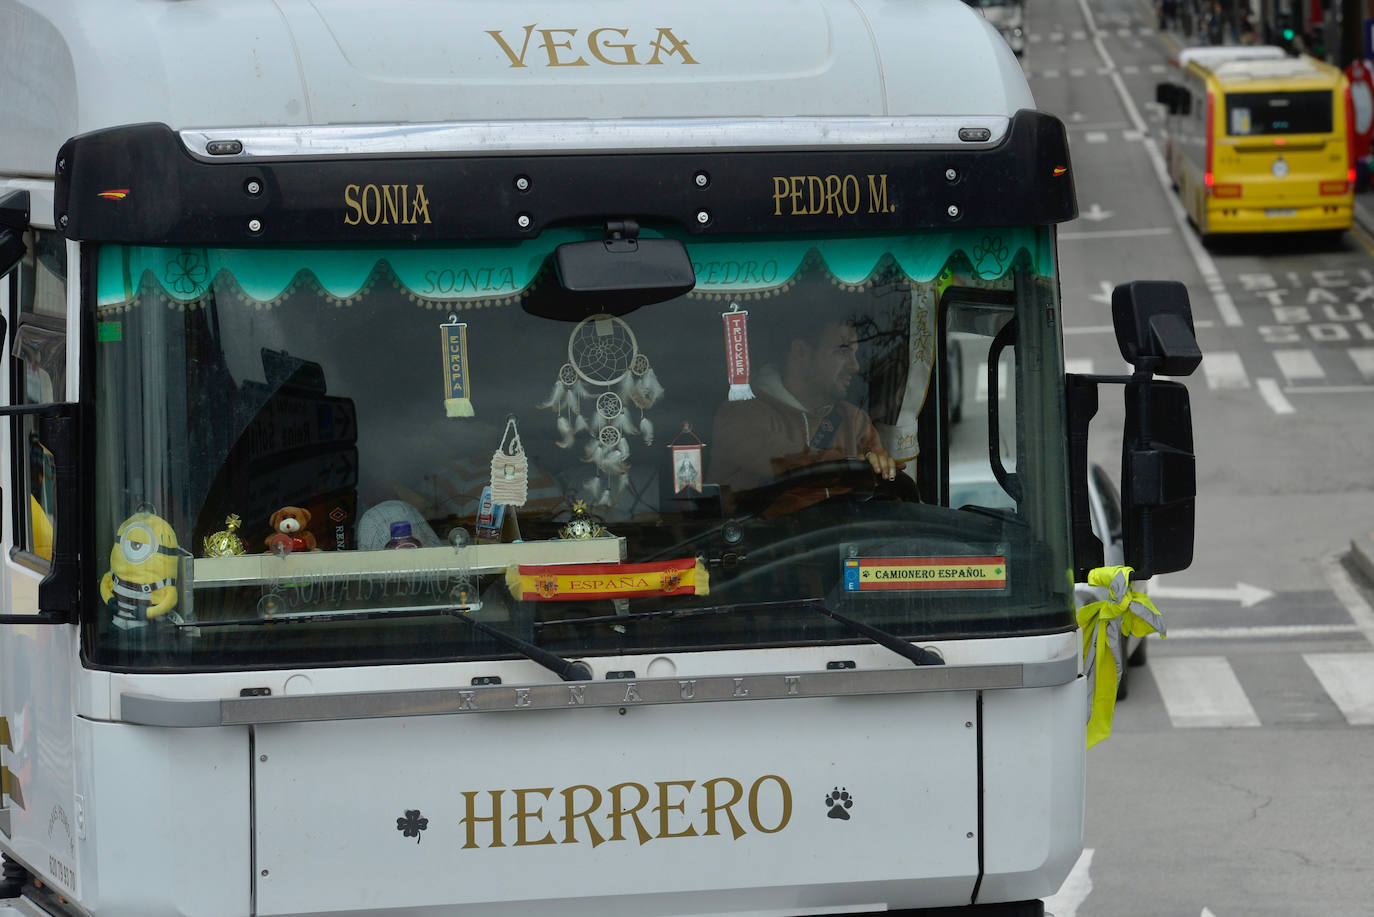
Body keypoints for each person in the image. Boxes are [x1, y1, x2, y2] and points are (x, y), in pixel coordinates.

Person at [708, 315, 903, 501]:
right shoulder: (741, 414)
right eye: (843, 351)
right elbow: (780, 460)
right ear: (801, 351)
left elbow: (885, 500)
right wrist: (849, 466)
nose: (856, 366)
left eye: (855, 354)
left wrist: (883, 471)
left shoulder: (854, 421)